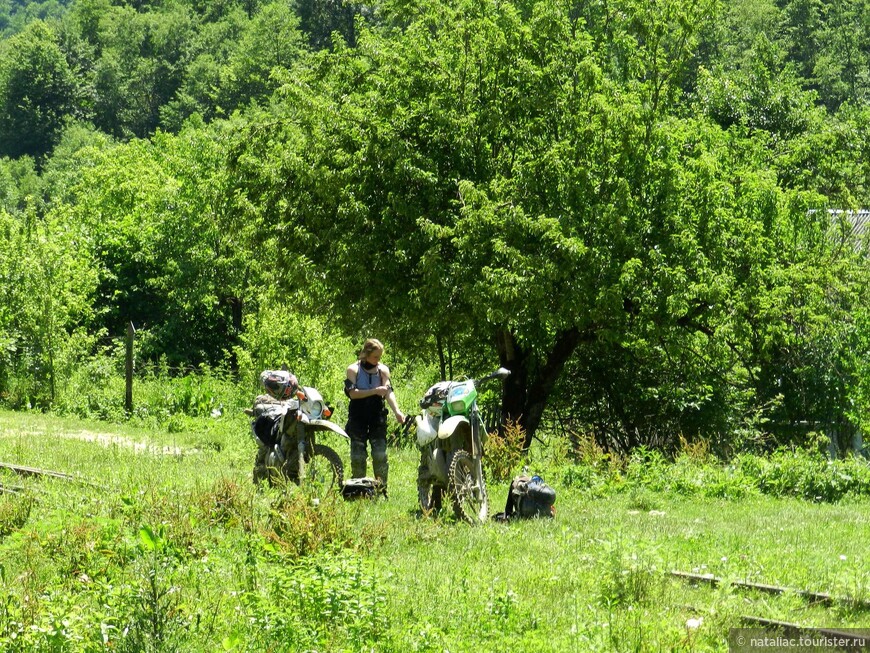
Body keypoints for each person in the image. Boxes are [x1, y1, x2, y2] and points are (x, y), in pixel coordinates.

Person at [344, 339, 405, 495]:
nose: (378, 360)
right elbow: (353, 394)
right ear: (366, 354)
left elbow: (388, 392)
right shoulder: (353, 370)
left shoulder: (383, 370)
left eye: (380, 357)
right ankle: (358, 490)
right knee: (358, 455)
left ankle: (381, 490)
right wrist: (374, 391)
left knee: (379, 454)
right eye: (375, 357)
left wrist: (397, 411)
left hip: (377, 416)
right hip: (358, 416)